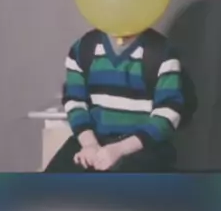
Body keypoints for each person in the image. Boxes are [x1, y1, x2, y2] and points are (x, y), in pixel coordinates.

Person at [45, 27, 195, 173]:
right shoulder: (83, 48)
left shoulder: (162, 52)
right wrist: (89, 144)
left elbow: (168, 113)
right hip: (94, 139)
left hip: (142, 145)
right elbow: (75, 101)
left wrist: (119, 149)